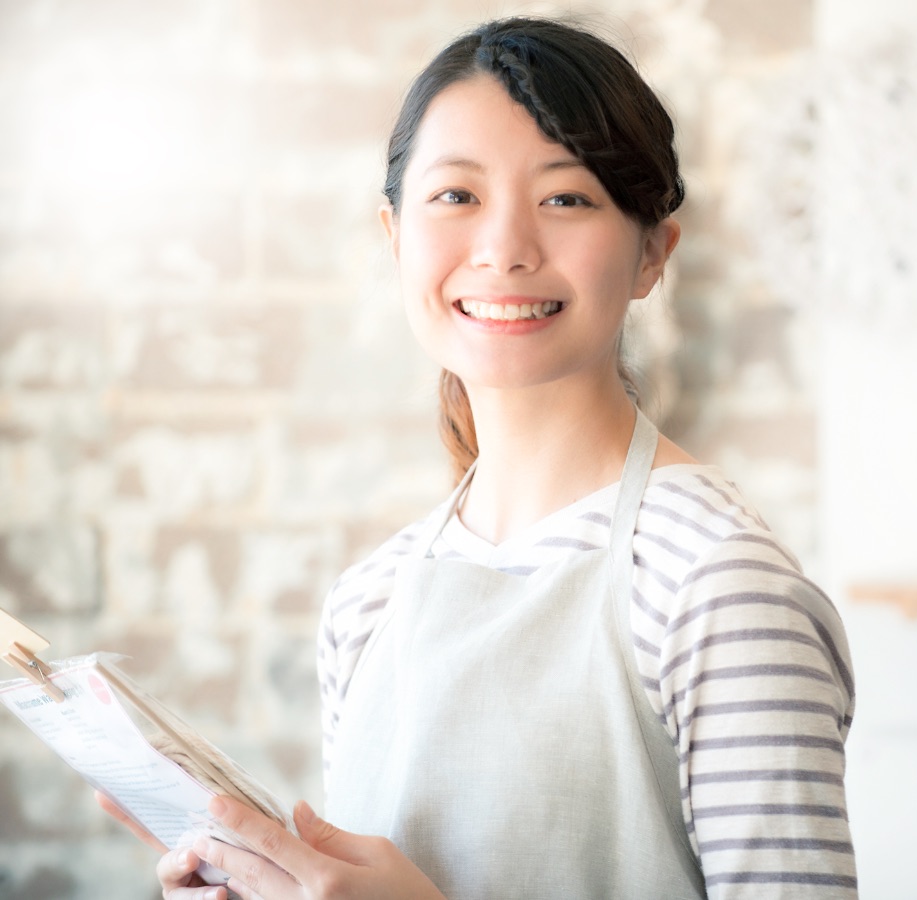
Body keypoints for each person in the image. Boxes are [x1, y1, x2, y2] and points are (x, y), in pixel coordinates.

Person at [102, 16, 857, 899]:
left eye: (567, 198)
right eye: (456, 197)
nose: (504, 248)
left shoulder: (717, 586)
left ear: (654, 252)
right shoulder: (366, 605)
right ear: (394, 236)